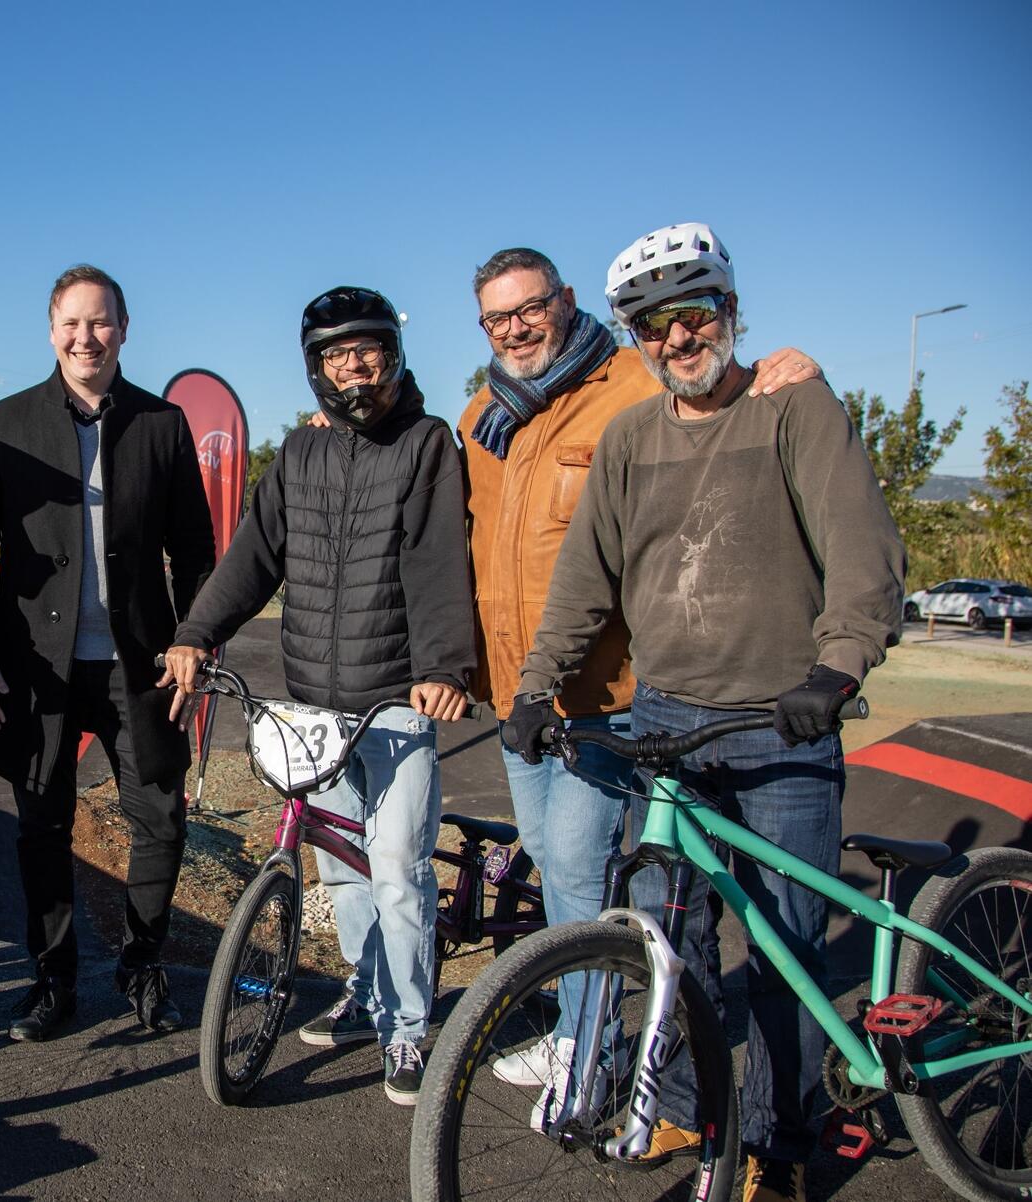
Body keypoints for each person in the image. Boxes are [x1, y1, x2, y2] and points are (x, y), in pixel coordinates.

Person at [507, 223, 905, 1202]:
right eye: (655, 324)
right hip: (670, 721)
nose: (680, 338)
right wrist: (530, 688)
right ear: (634, 336)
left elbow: (866, 556)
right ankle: (688, 1093)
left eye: (697, 313)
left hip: (784, 721)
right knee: (668, 934)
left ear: (731, 309)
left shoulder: (793, 407)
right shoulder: (632, 438)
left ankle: (776, 1137)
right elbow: (583, 581)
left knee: (784, 941)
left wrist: (837, 668)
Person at [459, 248, 820, 1100]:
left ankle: (591, 1059)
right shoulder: (483, 413)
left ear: (568, 301)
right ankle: (603, 1039)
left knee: (584, 870)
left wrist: (795, 368)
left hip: (615, 694)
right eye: (495, 317)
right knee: (553, 861)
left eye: (530, 307)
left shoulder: (634, 385)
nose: (515, 328)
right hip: (524, 695)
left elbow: (720, 402)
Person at [162, 286, 475, 1105]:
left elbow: (439, 561)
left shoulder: (424, 443)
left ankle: (406, 1030)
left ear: (391, 355)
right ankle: (365, 995)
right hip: (313, 702)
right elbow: (252, 557)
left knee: (400, 870)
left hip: (398, 702)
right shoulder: (300, 456)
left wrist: (445, 667)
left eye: (365, 349)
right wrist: (196, 632)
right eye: (337, 355)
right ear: (315, 367)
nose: (353, 366)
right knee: (343, 877)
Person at [0, 264, 217, 1042]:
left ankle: (141, 965)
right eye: (71, 322)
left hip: (142, 665)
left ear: (124, 330)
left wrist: (193, 637)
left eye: (100, 322)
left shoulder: (161, 424)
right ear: (51, 329)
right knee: (41, 827)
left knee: (159, 819)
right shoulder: (7, 421)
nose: (85, 337)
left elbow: (194, 550)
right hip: (35, 667)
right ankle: (51, 980)